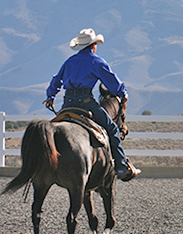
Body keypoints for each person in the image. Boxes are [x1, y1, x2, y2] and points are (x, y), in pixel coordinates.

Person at [43, 28, 141, 181]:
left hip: (67, 103)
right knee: (113, 129)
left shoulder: (69, 61)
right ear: (93, 45)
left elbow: (56, 80)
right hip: (86, 103)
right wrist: (123, 92)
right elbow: (112, 82)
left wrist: (50, 96)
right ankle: (121, 166)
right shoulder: (96, 61)